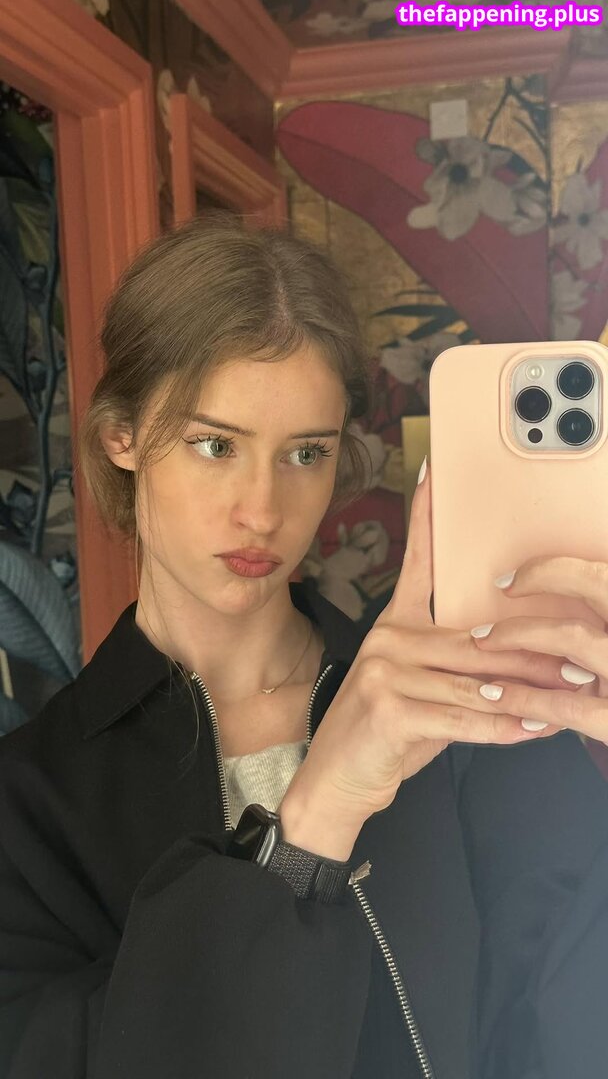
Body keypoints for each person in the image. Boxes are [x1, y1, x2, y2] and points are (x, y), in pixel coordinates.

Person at [1, 214, 608, 1079]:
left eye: (305, 453)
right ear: (121, 436)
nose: (262, 510)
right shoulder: (27, 803)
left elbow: (568, 1024)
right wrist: (312, 823)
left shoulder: (466, 718)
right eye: (216, 444)